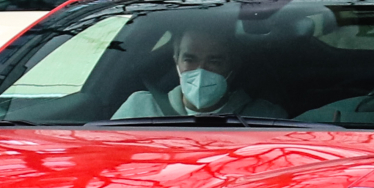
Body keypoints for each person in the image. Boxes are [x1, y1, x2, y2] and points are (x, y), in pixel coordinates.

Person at [115, 21, 285, 120]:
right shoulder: (139, 108)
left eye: (214, 61)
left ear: (233, 65)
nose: (201, 69)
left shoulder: (264, 116)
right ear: (176, 61)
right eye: (190, 59)